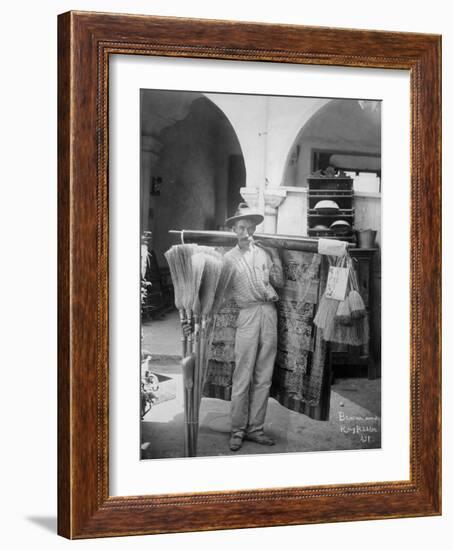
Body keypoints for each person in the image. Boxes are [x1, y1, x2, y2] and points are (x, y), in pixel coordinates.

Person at [224, 203, 284, 451]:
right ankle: (237, 430)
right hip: (247, 314)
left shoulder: (264, 254)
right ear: (234, 230)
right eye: (240, 227)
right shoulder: (228, 259)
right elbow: (223, 293)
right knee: (242, 375)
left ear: (255, 229)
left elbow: (278, 282)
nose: (245, 232)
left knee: (264, 375)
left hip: (268, 313)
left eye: (249, 227)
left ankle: (256, 429)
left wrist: (276, 255)